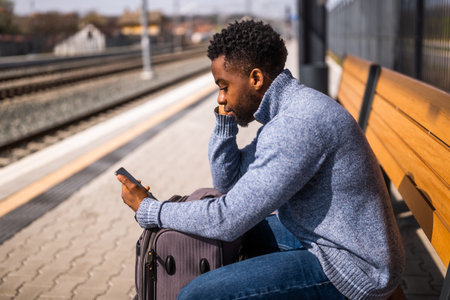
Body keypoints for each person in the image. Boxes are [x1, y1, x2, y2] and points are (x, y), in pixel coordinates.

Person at [117, 20, 405, 299]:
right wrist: (224, 126)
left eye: (224, 86)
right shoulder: (287, 111)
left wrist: (149, 209)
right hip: (323, 236)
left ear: (255, 78)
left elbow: (226, 218)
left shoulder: (297, 124)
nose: (220, 98)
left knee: (196, 294)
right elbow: (228, 184)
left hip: (351, 266)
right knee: (227, 240)